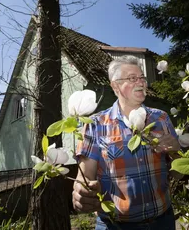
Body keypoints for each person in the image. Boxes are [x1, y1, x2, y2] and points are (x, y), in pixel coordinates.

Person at [72, 55, 181, 230]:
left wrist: (176, 151)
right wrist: (81, 192)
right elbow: (84, 177)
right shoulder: (95, 124)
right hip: (114, 225)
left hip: (162, 222)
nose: (141, 82)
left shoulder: (161, 118)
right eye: (132, 78)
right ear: (115, 86)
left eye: (142, 78)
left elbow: (177, 174)